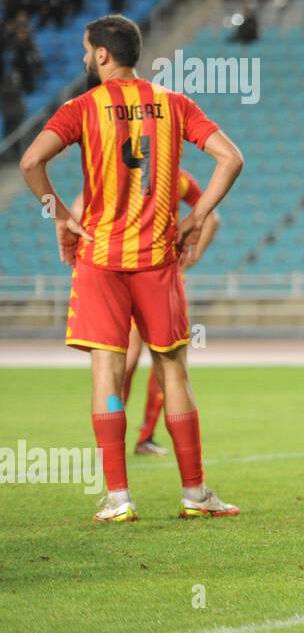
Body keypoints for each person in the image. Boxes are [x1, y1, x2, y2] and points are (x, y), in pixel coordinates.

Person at [19, 14, 244, 523]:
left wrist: (60, 217)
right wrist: (197, 217)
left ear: (102, 54)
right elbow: (231, 158)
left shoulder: (81, 108)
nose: (82, 58)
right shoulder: (174, 104)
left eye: (85, 50)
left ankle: (119, 497)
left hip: (99, 259)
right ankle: (194, 492)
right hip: (157, 260)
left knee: (108, 370)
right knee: (173, 369)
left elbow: (31, 162)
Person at [70, 167, 220, 456]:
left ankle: (113, 442)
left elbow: (77, 209)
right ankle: (147, 439)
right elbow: (211, 216)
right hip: (159, 278)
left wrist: (90, 250)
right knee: (168, 365)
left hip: (114, 275)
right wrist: (193, 254)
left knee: (119, 367)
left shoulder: (113, 173)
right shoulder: (177, 178)